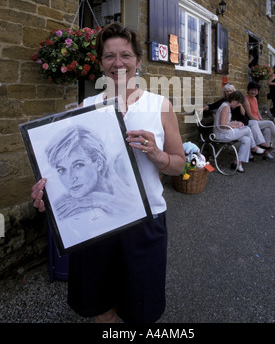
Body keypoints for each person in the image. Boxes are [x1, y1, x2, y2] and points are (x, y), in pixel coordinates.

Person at [31, 22, 185, 324]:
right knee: (100, 306)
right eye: (109, 56)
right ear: (101, 63)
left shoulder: (160, 106)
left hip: (145, 221)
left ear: (138, 61)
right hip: (94, 225)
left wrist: (157, 154)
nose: (118, 63)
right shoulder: (86, 107)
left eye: (125, 55)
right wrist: (47, 191)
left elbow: (180, 164)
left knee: (140, 308)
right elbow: (61, 165)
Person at [214, 91, 266, 173]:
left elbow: (227, 122)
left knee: (247, 139)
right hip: (221, 134)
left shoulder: (227, 106)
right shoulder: (226, 107)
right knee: (247, 129)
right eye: (238, 103)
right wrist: (236, 126)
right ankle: (254, 148)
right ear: (234, 100)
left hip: (225, 132)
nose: (238, 105)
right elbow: (222, 124)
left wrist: (236, 123)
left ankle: (238, 163)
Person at [243, 81, 275, 155]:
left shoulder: (255, 99)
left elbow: (257, 112)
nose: (254, 92)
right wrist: (259, 120)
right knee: (270, 123)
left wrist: (261, 118)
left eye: (256, 90)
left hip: (258, 121)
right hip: (252, 122)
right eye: (252, 90)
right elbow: (250, 115)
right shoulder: (246, 100)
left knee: (267, 130)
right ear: (248, 90)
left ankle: (266, 151)